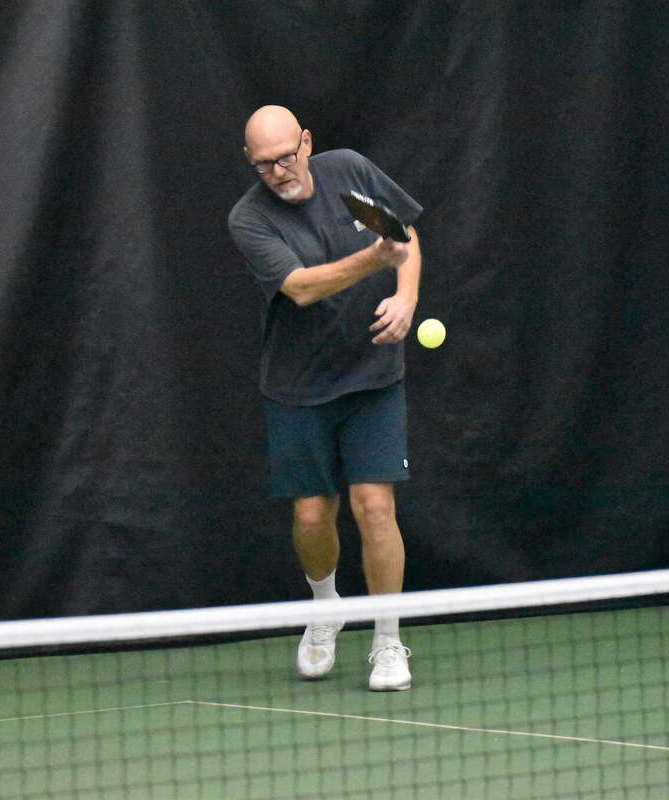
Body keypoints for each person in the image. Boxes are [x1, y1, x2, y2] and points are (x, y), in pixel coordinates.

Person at [227, 105, 423, 691]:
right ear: (251, 163)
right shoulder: (249, 219)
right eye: (265, 165)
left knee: (374, 507)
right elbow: (303, 289)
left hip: (372, 375)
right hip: (298, 387)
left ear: (306, 142)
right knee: (313, 515)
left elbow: (405, 237)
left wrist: (407, 296)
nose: (280, 172)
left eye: (286, 157)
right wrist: (375, 260)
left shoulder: (350, 174)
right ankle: (324, 610)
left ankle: (388, 642)